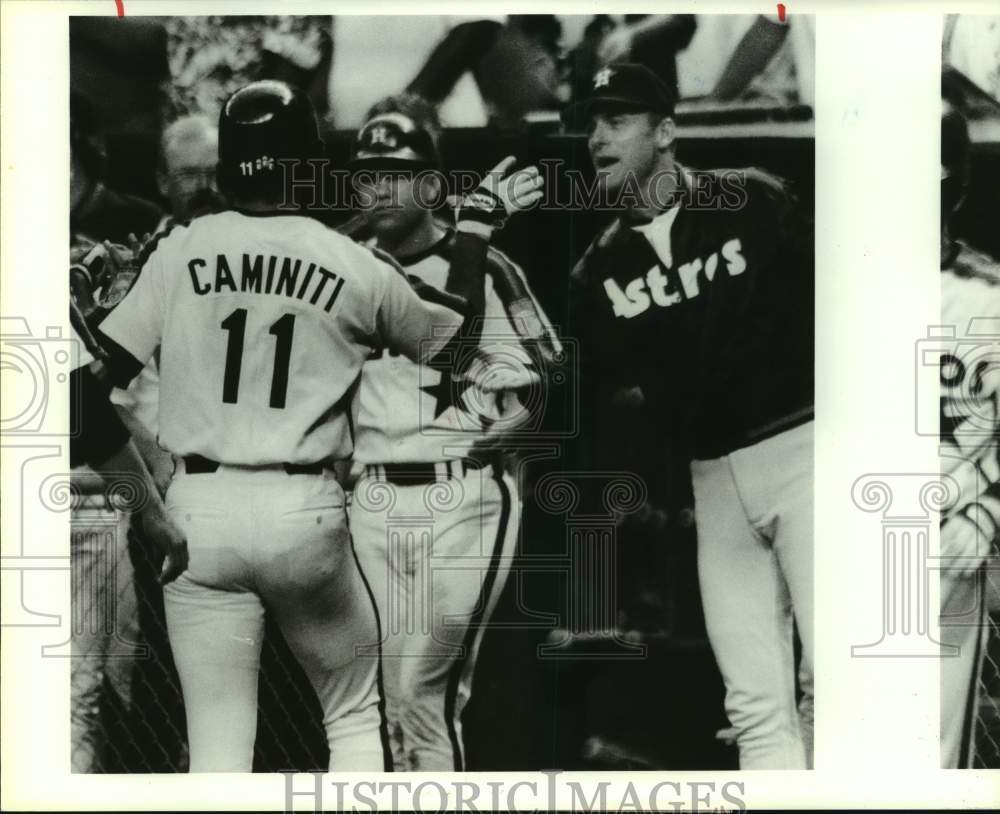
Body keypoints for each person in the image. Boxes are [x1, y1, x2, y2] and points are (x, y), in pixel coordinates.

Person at [93, 79, 470, 772]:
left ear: (231, 165)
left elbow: (83, 384)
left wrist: (146, 508)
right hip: (304, 510)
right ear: (308, 162)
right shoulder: (353, 262)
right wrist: (474, 229)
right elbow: (459, 350)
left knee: (217, 740)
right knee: (354, 712)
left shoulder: (181, 249)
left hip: (196, 512)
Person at [564, 63, 815, 769]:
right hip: (714, 481)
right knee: (756, 707)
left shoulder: (754, 201)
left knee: (837, 679)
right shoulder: (601, 269)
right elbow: (600, 397)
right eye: (591, 122)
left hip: (807, 451)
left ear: (666, 129)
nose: (596, 138)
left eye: (616, 120)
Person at [341, 94, 558, 770]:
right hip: (372, 502)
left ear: (431, 182)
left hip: (461, 496)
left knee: (423, 695)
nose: (376, 188)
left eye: (394, 172)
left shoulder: (483, 262)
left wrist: (523, 412)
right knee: (391, 705)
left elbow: (548, 372)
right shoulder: (343, 266)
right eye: (366, 172)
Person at [938, 96, 1000, 769]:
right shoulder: (819, 286)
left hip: (947, 535)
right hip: (833, 533)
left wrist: (987, 509)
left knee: (929, 756)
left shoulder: (987, 295)